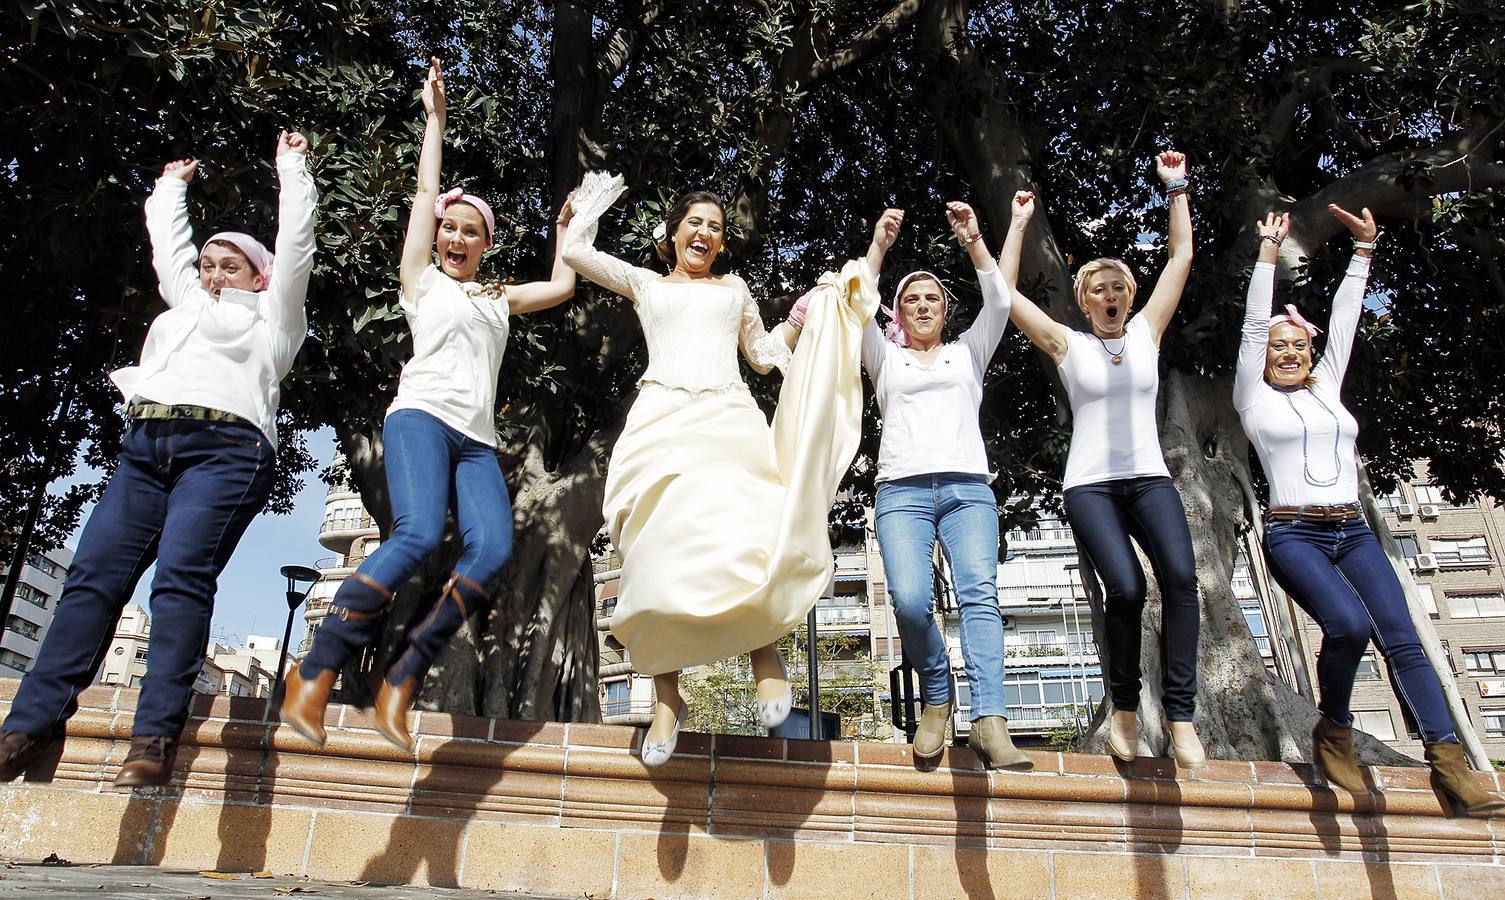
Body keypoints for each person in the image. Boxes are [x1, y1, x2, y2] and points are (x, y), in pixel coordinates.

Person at [0, 131, 317, 787]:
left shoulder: (272, 319)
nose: (212, 274)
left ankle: (152, 740)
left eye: (229, 266)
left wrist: (292, 166)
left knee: (178, 580)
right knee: (91, 579)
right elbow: (168, 249)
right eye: (207, 264)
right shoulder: (182, 306)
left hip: (227, 451)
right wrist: (171, 188)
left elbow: (296, 248)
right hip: (145, 447)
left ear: (258, 277)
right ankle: (27, 730)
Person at [281, 58, 576, 753]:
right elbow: (423, 191)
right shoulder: (421, 281)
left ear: (486, 246)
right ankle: (315, 672)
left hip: (475, 440)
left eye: (472, 231)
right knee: (414, 534)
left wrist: (568, 228)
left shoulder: (497, 298)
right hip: (418, 417)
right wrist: (436, 120)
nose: (457, 238)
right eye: (451, 228)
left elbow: (562, 285)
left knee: (494, 548)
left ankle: (401, 679)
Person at [561, 171, 875, 766]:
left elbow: (761, 356)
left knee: (745, 538)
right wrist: (580, 213)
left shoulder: (736, 292)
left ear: (722, 242)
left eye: (716, 227)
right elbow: (577, 253)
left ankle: (765, 659)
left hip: (727, 415)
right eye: (695, 223)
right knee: (656, 555)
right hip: (662, 420)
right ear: (674, 234)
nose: (705, 233)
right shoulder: (647, 284)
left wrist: (809, 313)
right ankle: (666, 700)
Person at [1237, 206, 1504, 814]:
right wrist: (1266, 257)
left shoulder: (1326, 388)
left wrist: (1363, 253)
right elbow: (1255, 326)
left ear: (1311, 351)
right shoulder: (1252, 397)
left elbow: (1347, 321)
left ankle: (1449, 762)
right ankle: (1334, 730)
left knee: (1403, 638)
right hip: (1294, 533)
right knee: (1348, 626)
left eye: (1298, 345)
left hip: (1353, 530)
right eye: (1279, 347)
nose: (1287, 353)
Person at [1001, 152, 1205, 768]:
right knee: (1125, 587)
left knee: (1181, 579)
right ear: (1084, 302)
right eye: (1098, 288)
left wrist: (1175, 188)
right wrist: (1016, 226)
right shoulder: (1068, 344)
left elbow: (1182, 257)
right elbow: (1002, 292)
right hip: (1090, 485)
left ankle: (1181, 716)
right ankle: (1123, 709)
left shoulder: (1147, 333)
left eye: (1118, 285)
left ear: (1130, 296)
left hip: (1149, 479)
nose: (1110, 293)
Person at [859, 204, 1029, 769]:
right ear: (899, 314)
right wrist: (880, 248)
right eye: (912, 299)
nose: (923, 305)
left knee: (980, 596)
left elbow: (1001, 300)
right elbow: (859, 301)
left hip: (967, 491)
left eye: (933, 298)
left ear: (947, 310)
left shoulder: (966, 354)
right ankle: (938, 696)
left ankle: (989, 719)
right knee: (909, 601)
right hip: (901, 495)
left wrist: (975, 239)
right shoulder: (885, 359)